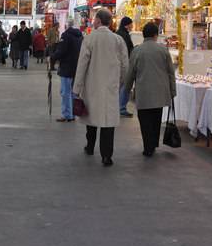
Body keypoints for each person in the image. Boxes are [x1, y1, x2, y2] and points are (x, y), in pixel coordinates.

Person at [73, 9, 129, 166]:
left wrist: (77, 88)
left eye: (94, 19)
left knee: (91, 118)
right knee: (108, 122)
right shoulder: (118, 40)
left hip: (92, 85)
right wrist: (121, 81)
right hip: (111, 86)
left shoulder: (89, 39)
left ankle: (90, 147)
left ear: (98, 21)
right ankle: (106, 156)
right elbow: (125, 64)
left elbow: (82, 65)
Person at [124, 22, 176, 157]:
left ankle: (148, 146)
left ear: (143, 35)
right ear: (155, 35)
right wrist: (172, 91)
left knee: (145, 120)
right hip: (160, 92)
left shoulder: (137, 51)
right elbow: (171, 72)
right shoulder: (163, 50)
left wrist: (126, 88)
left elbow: (131, 72)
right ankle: (153, 144)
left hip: (143, 92)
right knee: (156, 119)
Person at [51, 19, 83, 122]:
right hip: (76, 67)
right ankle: (73, 114)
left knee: (65, 92)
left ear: (66, 26)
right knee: (73, 92)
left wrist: (52, 57)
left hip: (66, 67)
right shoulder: (80, 36)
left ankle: (66, 114)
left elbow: (61, 51)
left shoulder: (66, 36)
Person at [116, 17, 135, 117]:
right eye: (131, 24)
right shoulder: (125, 35)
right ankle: (122, 108)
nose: (132, 26)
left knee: (119, 86)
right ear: (126, 24)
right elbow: (128, 50)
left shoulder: (117, 33)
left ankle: (117, 106)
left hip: (117, 64)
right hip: (125, 63)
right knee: (125, 86)